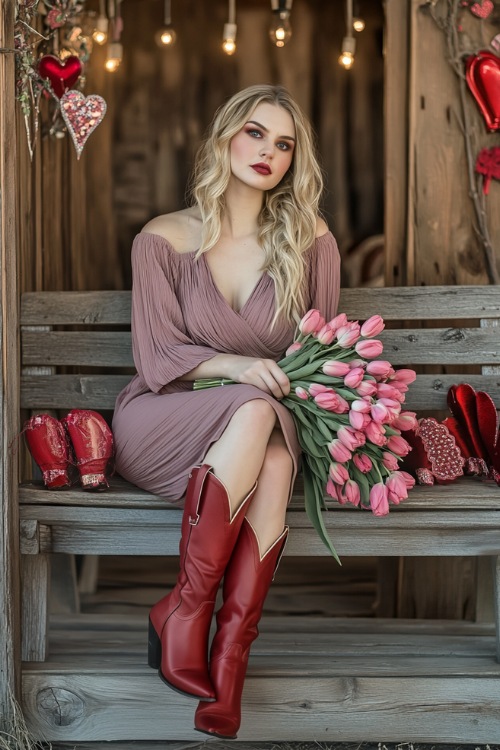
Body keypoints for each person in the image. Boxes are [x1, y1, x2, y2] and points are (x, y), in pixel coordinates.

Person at [111, 84, 341, 739]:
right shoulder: (162, 239)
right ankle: (189, 615)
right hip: (162, 420)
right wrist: (238, 368)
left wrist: (273, 390)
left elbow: (323, 353)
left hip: (262, 424)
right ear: (225, 138)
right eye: (255, 134)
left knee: (271, 451)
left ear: (296, 161)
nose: (268, 151)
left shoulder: (310, 240)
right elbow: (157, 359)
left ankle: (225, 652)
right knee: (257, 414)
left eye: (284, 144)